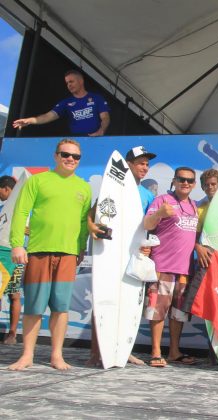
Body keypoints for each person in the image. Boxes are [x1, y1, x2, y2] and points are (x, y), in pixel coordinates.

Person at [8, 139, 91, 370]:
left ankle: (57, 355)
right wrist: (17, 245)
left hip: (68, 254)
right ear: (56, 156)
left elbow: (84, 222)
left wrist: (81, 247)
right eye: (66, 154)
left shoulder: (84, 187)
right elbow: (21, 211)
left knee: (61, 307)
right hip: (38, 252)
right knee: (34, 306)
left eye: (76, 156)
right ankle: (27, 355)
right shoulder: (38, 181)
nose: (71, 159)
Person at [86, 145, 157, 367]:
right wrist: (90, 227)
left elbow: (146, 227)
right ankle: (96, 352)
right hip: (109, 252)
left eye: (146, 164)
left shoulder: (147, 194)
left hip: (132, 254)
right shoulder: (112, 188)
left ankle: (123, 350)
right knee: (104, 297)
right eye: (140, 163)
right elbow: (93, 213)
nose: (144, 167)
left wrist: (147, 246)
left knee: (128, 300)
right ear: (128, 165)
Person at [143, 167, 198, 367]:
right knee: (158, 311)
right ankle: (156, 351)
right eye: (182, 179)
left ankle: (174, 351)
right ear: (174, 181)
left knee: (178, 314)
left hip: (184, 269)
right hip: (163, 266)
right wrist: (159, 213)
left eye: (190, 180)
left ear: (194, 184)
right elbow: (147, 225)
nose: (186, 183)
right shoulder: (162, 200)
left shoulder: (193, 205)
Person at [181, 168, 218, 364]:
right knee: (207, 307)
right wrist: (198, 247)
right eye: (207, 185)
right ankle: (211, 351)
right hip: (206, 264)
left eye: (214, 184)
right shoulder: (199, 207)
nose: (210, 188)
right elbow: (191, 235)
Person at [13, 70, 110, 136]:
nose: (69, 85)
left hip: (96, 139)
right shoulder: (66, 102)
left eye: (71, 81)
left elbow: (105, 117)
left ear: (81, 81)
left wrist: (101, 130)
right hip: (75, 143)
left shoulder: (96, 98)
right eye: (67, 83)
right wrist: (29, 121)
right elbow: (48, 116)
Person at [0, 175, 22, 345]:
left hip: (14, 255)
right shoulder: (3, 208)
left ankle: (13, 333)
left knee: (14, 294)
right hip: (7, 254)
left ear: (6, 189)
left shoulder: (22, 207)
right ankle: (9, 334)